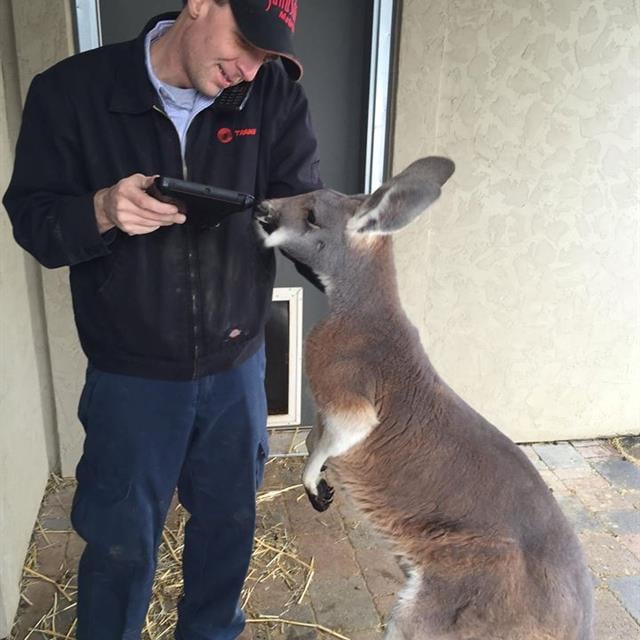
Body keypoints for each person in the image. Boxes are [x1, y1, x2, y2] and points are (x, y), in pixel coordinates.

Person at [3, 0, 321, 638]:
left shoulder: (275, 96)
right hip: (131, 374)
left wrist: (359, 271)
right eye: (245, 42)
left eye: (269, 54)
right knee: (121, 545)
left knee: (228, 534)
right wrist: (99, 209)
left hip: (237, 368)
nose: (251, 69)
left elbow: (302, 218)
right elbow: (35, 223)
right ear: (200, 4)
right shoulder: (71, 92)